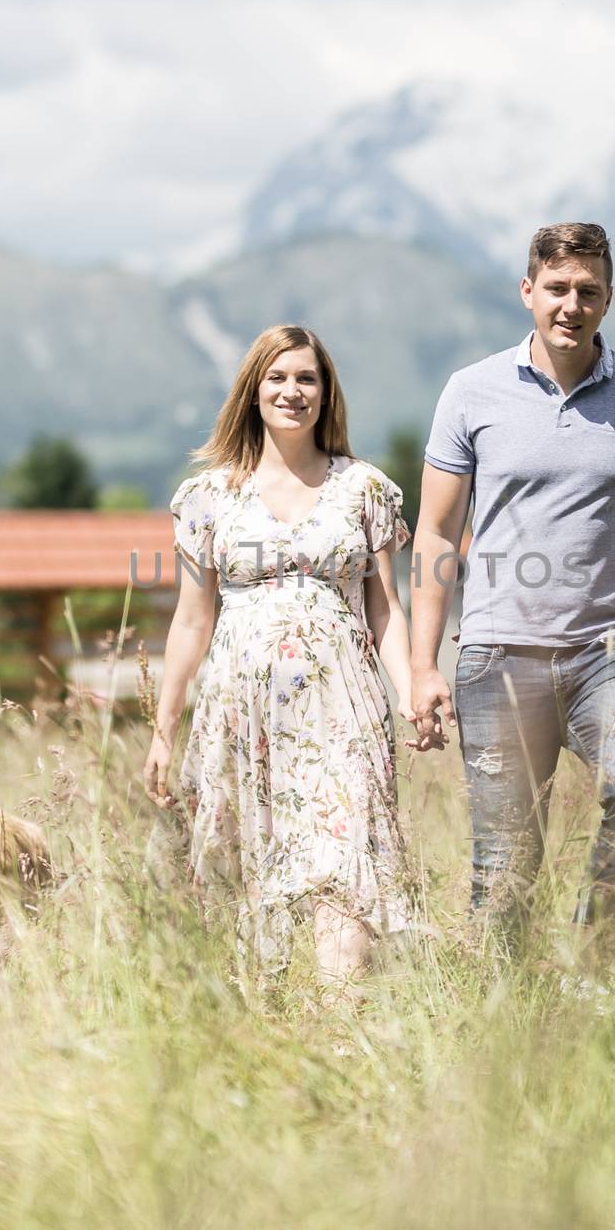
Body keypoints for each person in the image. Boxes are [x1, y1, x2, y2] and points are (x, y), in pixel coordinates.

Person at [408, 222, 615, 960]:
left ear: (609, 299)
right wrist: (421, 665)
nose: (571, 305)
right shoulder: (470, 392)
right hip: (496, 657)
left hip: (607, 651)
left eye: (588, 292)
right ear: (528, 293)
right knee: (506, 867)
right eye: (557, 290)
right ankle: (505, 1027)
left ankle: (588, 957)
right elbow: (437, 536)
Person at [143, 324, 421, 984]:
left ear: (326, 395)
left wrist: (411, 693)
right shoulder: (211, 497)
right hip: (240, 717)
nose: (293, 391)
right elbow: (191, 620)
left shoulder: (364, 489)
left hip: (343, 713)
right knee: (246, 878)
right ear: (253, 389)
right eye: (278, 377)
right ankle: (258, 1039)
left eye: (307, 378)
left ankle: (340, 1037)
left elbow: (385, 608)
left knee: (346, 865)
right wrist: (163, 727)